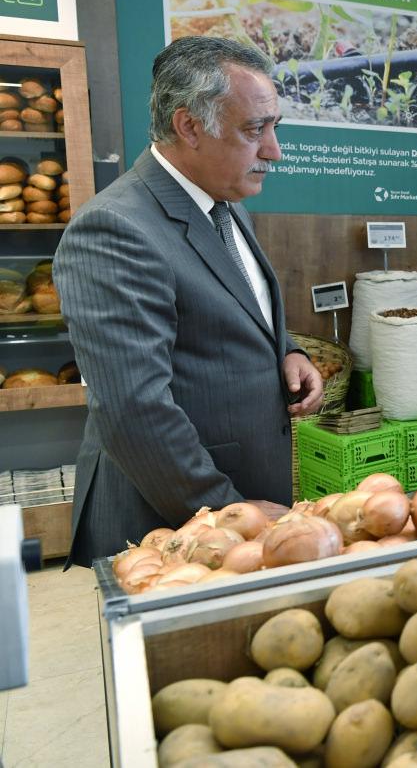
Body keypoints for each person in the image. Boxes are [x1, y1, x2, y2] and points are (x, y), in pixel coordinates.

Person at [54, 36, 324, 565]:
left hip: (237, 494)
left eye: (275, 128)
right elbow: (133, 408)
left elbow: (228, 306)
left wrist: (288, 351)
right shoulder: (115, 229)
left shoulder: (224, 202)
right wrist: (229, 516)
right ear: (189, 127)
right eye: (255, 130)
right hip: (172, 517)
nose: (274, 150)